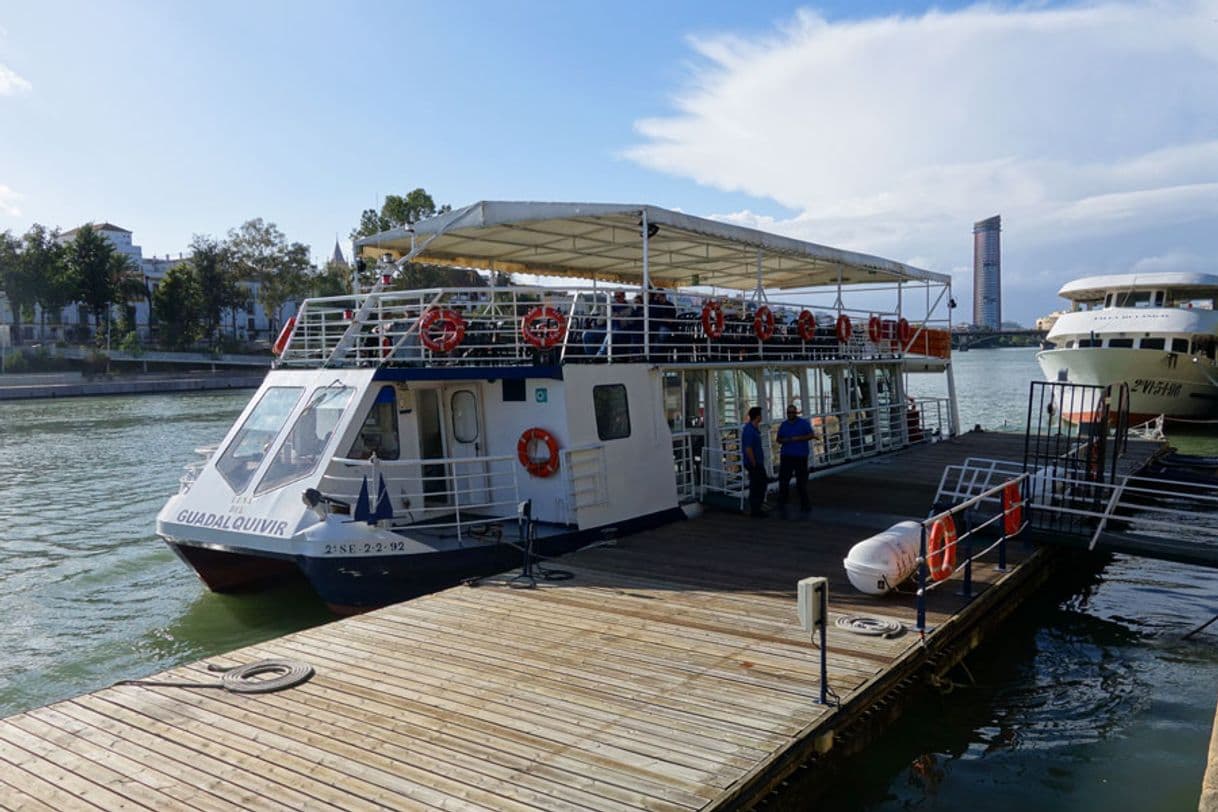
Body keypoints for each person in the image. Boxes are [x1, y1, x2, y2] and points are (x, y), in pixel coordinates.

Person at [775, 404, 815, 517]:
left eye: (792, 412)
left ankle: (805, 505)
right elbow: (778, 439)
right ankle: (782, 503)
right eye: (789, 413)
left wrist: (798, 438)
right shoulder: (784, 425)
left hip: (800, 456)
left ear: (796, 413)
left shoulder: (803, 423)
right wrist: (785, 440)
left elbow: (811, 435)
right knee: (783, 481)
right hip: (786, 456)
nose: (790, 414)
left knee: (801, 482)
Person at [741, 406, 768, 518]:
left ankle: (757, 508)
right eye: (760, 415)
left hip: (757, 462)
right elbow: (748, 448)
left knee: (758, 484)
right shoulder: (749, 430)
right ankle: (755, 509)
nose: (761, 417)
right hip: (754, 463)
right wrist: (754, 462)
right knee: (758, 485)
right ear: (757, 417)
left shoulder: (754, 428)